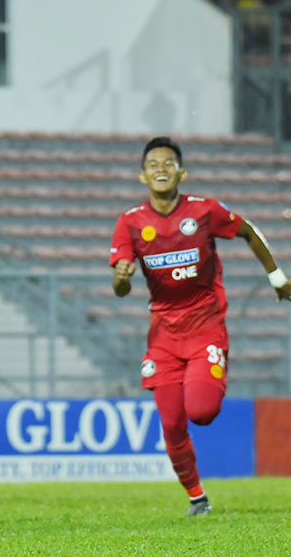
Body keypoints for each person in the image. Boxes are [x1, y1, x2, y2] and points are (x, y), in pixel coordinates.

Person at [110, 136, 291, 516]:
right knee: (172, 423)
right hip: (163, 335)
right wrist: (122, 278)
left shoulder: (204, 211)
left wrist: (277, 277)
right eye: (153, 164)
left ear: (182, 172)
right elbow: (120, 288)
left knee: (202, 411)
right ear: (142, 176)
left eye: (168, 163)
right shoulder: (129, 223)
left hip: (206, 325)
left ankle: (214, 367)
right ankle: (197, 498)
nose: (161, 168)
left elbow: (248, 231)